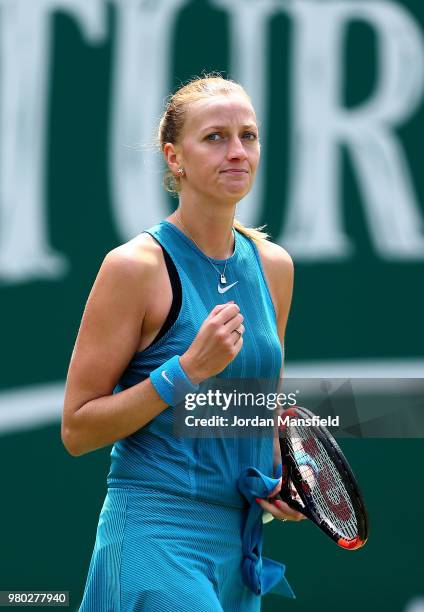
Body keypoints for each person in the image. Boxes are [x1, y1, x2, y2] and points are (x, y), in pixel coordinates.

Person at [62, 75, 305, 612]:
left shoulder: (275, 268)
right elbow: (77, 429)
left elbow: (252, 411)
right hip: (155, 536)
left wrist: (276, 475)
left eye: (249, 135)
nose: (237, 151)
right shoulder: (134, 267)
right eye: (215, 137)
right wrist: (185, 369)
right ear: (175, 158)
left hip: (238, 549)